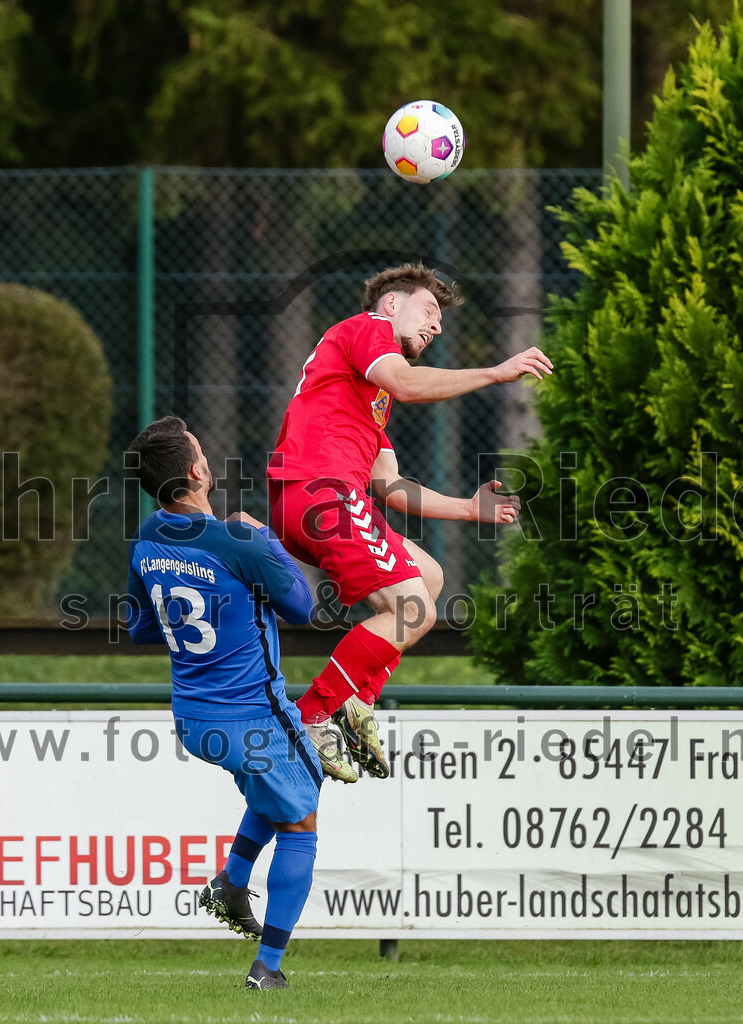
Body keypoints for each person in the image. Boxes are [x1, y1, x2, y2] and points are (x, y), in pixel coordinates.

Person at [267, 263, 553, 783]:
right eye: (429, 310)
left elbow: (392, 487)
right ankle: (311, 715)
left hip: (310, 501)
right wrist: (494, 372)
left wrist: (469, 508)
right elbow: (406, 381)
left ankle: (357, 704)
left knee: (431, 577)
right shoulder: (368, 330)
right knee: (414, 608)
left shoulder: (367, 395)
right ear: (391, 305)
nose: (437, 326)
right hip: (323, 492)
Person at [125, 415, 321, 991]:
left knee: (281, 789)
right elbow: (304, 609)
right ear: (195, 471)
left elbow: (140, 630)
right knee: (302, 816)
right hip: (252, 714)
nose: (208, 458)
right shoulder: (239, 539)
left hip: (193, 719)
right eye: (202, 452)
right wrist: (267, 541)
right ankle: (270, 968)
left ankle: (231, 883)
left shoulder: (147, 540)